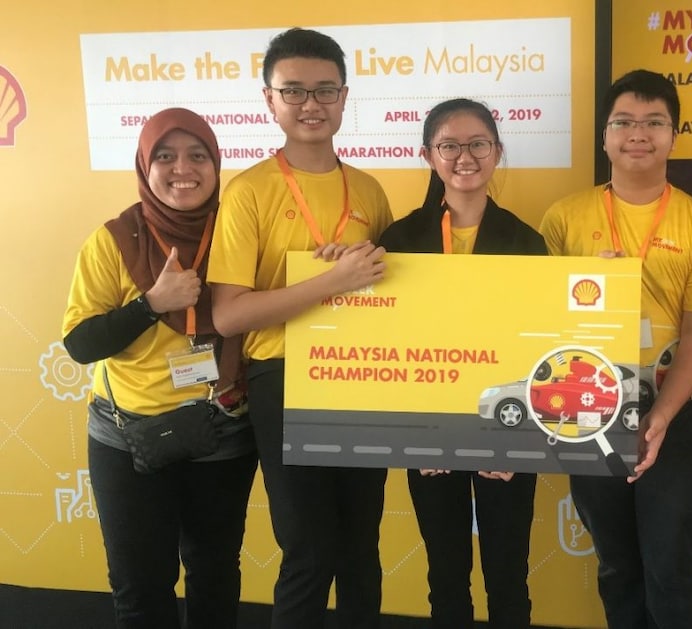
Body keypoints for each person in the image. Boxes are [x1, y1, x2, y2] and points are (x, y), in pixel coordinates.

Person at [206, 28, 393, 629]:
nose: (311, 104)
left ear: (344, 97)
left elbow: (391, 294)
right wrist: (327, 284)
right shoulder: (249, 192)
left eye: (324, 90)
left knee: (362, 549)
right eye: (294, 91)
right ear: (269, 100)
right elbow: (229, 314)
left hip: (363, 378)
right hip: (284, 379)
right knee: (309, 552)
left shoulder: (367, 189)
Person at [539, 69, 692, 629]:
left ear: (674, 135)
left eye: (654, 123)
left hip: (673, 414)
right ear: (604, 135)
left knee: (673, 566)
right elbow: (540, 325)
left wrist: (660, 418)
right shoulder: (563, 219)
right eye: (623, 122)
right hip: (588, 410)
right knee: (616, 564)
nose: (638, 134)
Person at [61, 107, 257, 628]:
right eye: (164, 156)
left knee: (214, 575)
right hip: (128, 436)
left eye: (198, 155)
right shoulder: (113, 240)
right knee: (141, 585)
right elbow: (80, 344)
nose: (182, 168)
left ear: (216, 164)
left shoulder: (242, 231)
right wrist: (151, 302)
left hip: (223, 430)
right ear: (144, 166)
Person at [378, 98, 544, 629]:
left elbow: (539, 345)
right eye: (450, 145)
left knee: (507, 574)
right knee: (445, 574)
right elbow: (385, 346)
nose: (464, 157)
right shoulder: (400, 242)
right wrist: (414, 438)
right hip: (429, 436)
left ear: (497, 152)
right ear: (428, 154)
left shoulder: (526, 241)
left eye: (478, 144)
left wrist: (518, 445)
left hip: (508, 431)